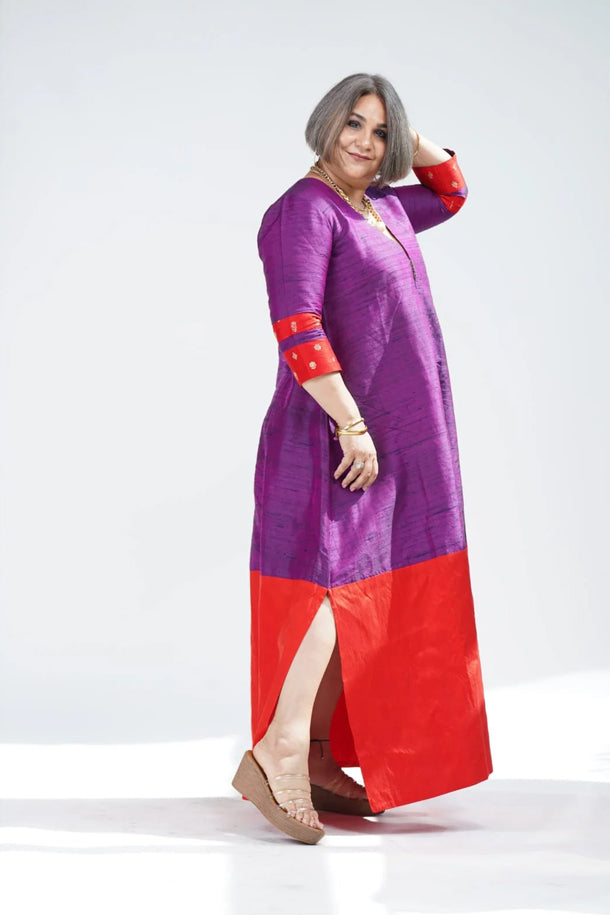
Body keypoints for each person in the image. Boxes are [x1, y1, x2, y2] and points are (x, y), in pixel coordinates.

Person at [232, 73, 493, 845]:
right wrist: (350, 424)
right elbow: (298, 325)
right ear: (326, 122)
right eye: (354, 123)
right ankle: (278, 749)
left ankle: (315, 754)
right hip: (335, 433)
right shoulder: (304, 211)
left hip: (398, 436)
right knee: (337, 586)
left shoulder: (383, 207)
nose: (365, 142)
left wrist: (407, 134)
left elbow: (450, 190)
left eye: (381, 132)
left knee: (374, 584)